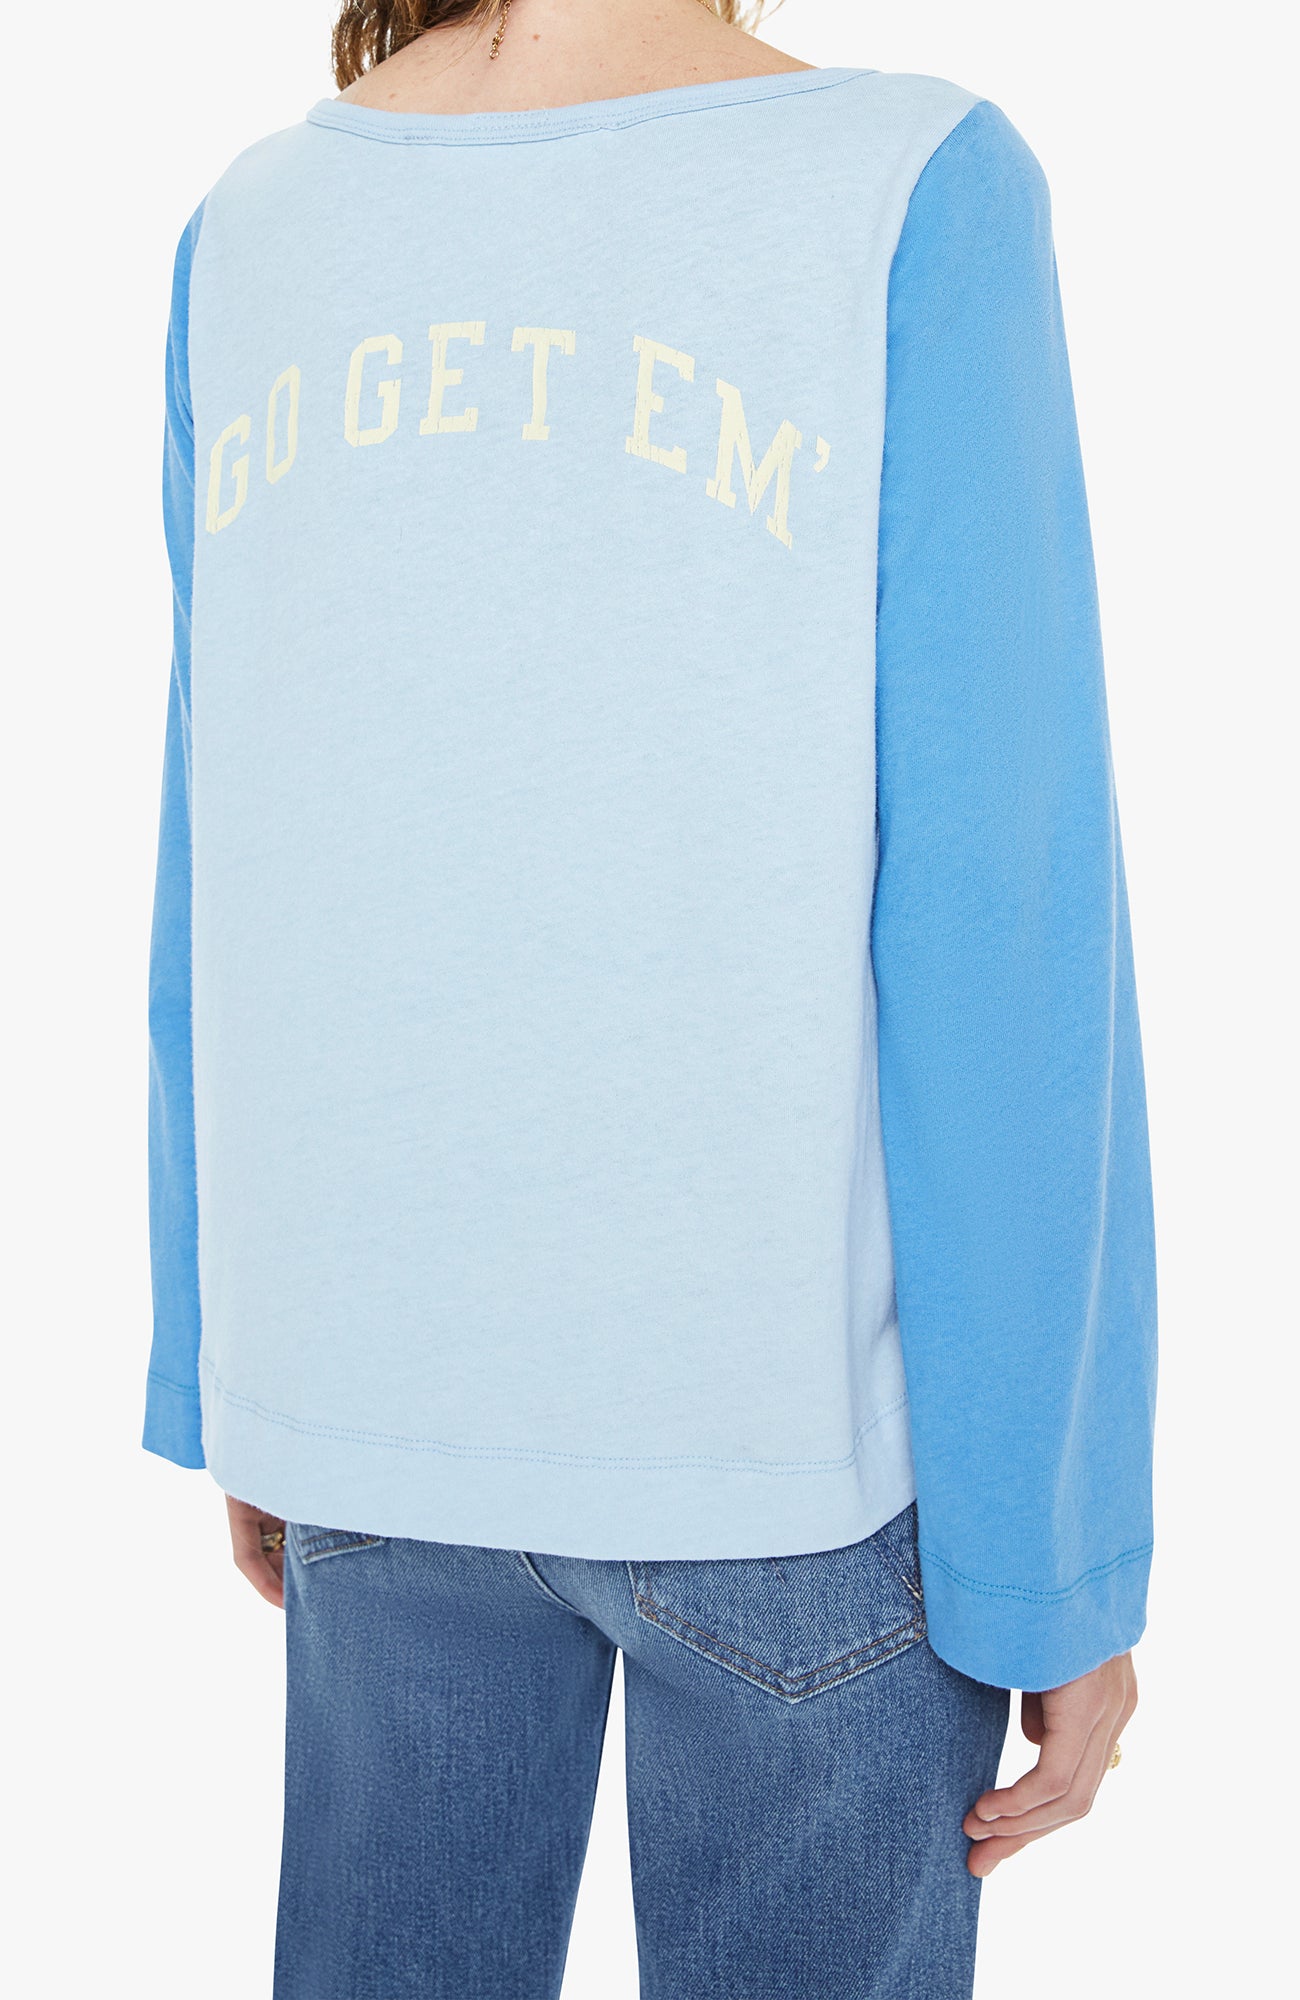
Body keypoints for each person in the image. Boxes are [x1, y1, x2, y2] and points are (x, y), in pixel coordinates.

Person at [142, 1, 1157, 1993]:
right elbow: (1003, 896)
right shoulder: (907, 183)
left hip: (367, 1399)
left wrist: (230, 1351)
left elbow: (221, 822)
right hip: (789, 1455)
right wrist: (1053, 1553)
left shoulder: (254, 221)